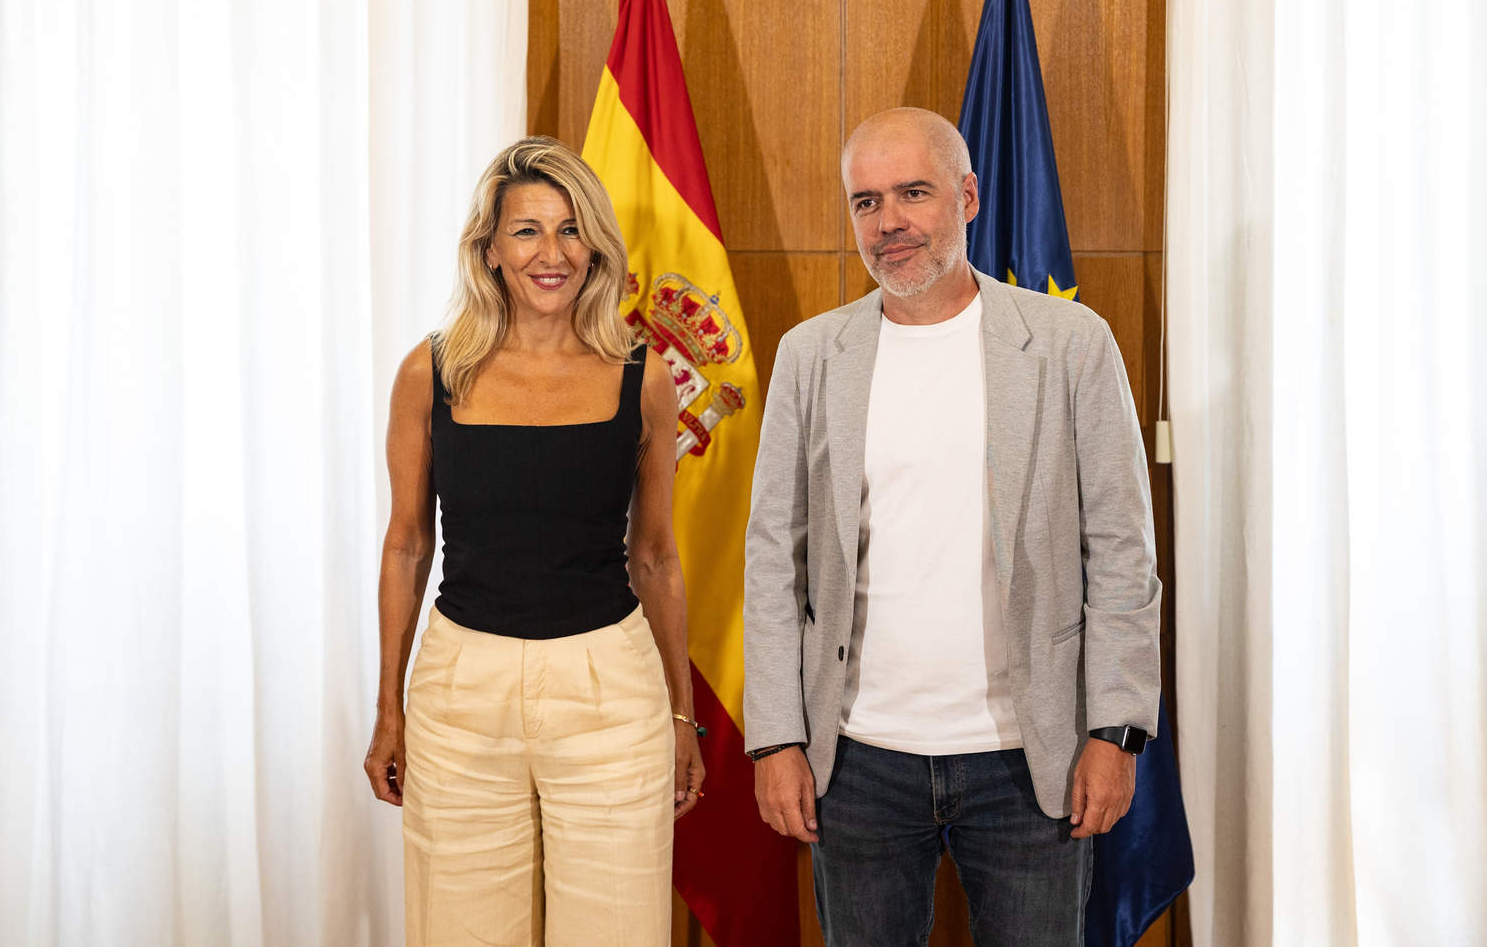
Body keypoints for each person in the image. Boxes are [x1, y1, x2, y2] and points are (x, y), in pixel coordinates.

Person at [743, 108, 1161, 946]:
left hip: (1030, 760)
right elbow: (772, 561)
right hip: (856, 760)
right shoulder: (810, 355)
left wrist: (1117, 732)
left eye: (913, 193)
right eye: (866, 202)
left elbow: (1120, 550)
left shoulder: (1071, 344)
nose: (889, 221)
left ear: (967, 197)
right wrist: (776, 738)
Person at [364, 136, 706, 946]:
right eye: (526, 231)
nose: (550, 253)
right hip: (459, 692)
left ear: (595, 246)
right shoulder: (432, 371)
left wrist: (681, 717)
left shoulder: (642, 374)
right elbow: (407, 545)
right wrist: (389, 709)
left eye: (570, 229)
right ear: (489, 249)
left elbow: (654, 554)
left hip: (611, 696)